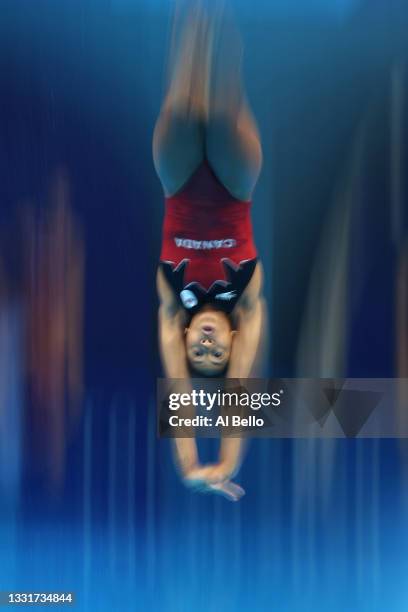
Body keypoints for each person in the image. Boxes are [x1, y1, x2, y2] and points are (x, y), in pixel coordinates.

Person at [153, 0, 267, 501]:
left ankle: (190, 8)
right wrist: (224, 460)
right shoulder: (247, 303)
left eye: (196, 351)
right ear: (231, 337)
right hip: (234, 187)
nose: (205, 345)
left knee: (182, 98)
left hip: (178, 183)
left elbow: (180, 394)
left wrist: (188, 465)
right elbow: (237, 392)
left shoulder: (171, 306)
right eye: (215, 351)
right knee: (222, 99)